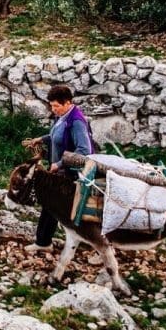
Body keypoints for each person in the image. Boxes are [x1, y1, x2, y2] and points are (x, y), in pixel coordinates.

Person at [35, 84, 94, 248]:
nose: (53, 109)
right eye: (51, 105)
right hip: (58, 170)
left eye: (56, 106)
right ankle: (43, 241)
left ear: (67, 102)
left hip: (69, 173)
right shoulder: (63, 116)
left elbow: (84, 150)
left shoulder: (76, 122)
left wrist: (59, 164)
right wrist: (41, 139)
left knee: (52, 205)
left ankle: (43, 242)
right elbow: (56, 134)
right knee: (51, 206)